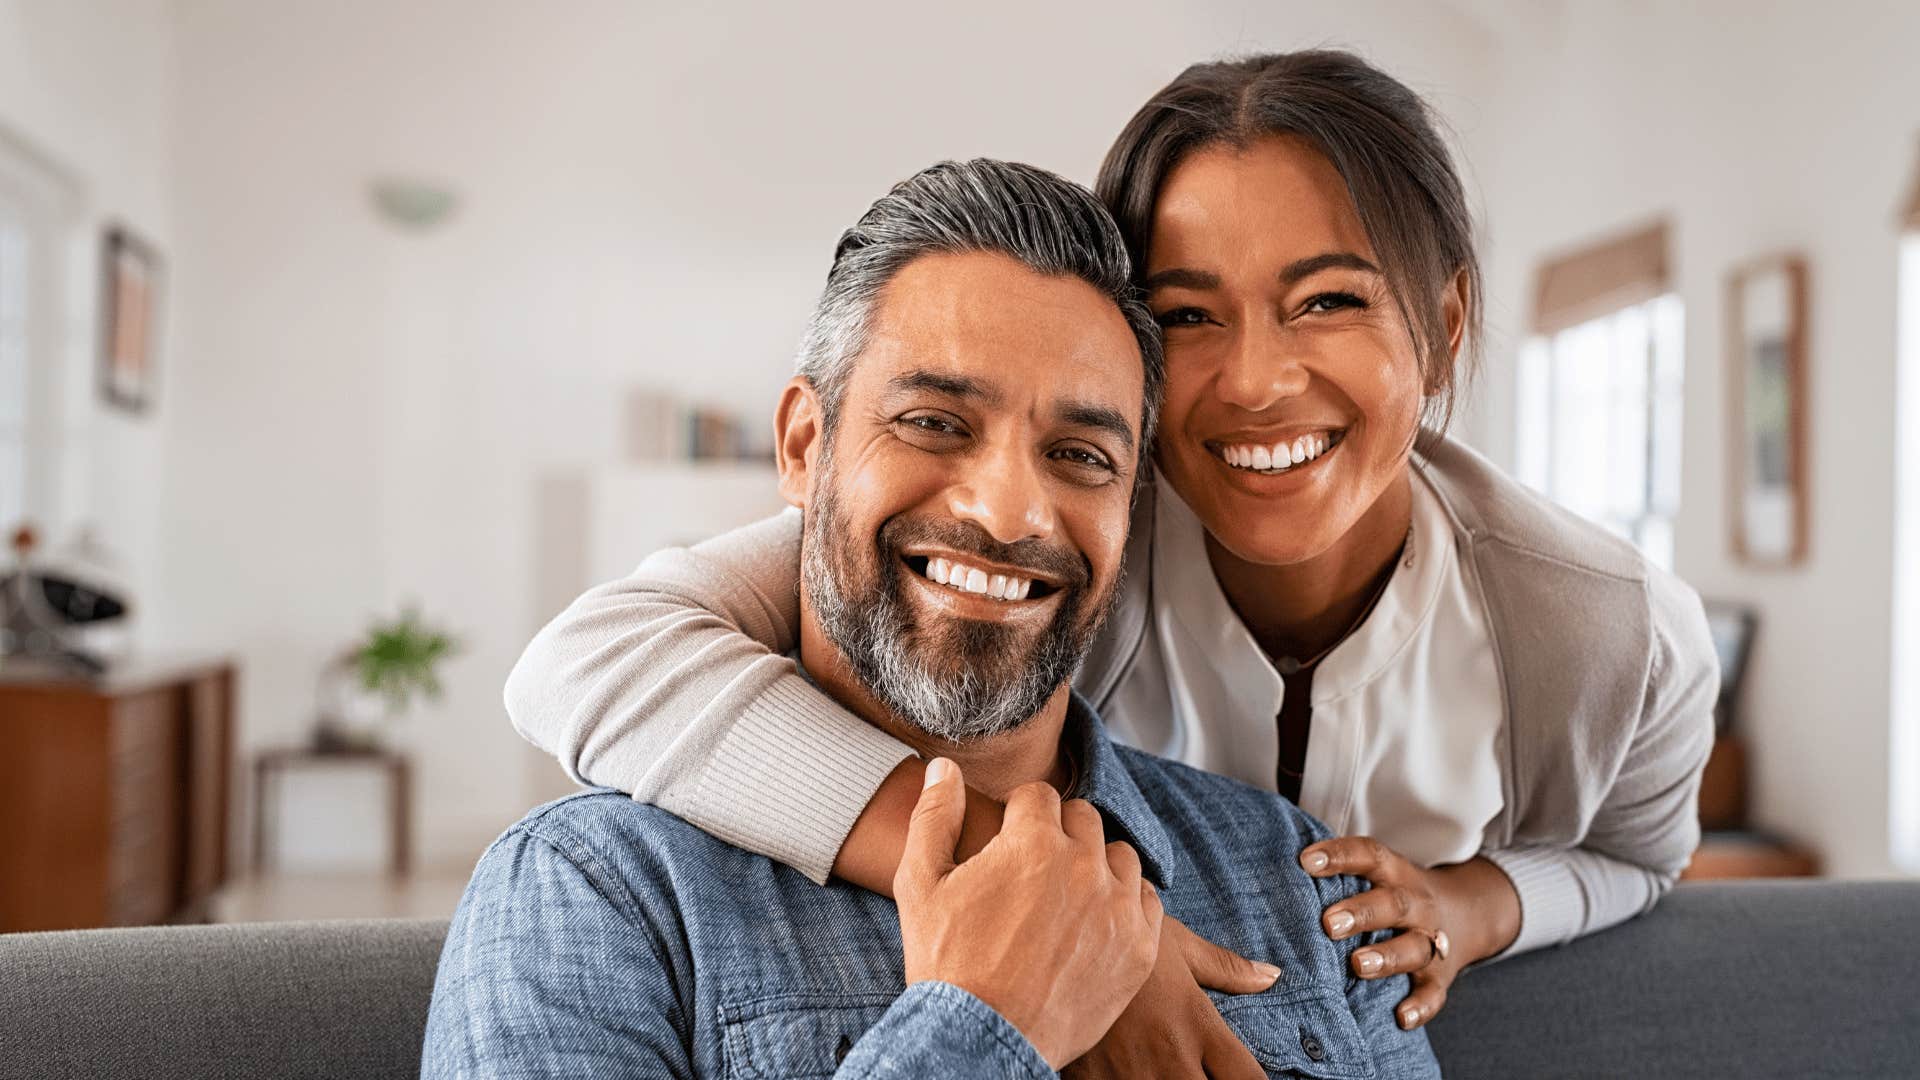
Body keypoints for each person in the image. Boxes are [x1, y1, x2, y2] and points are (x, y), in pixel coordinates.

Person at [507, 49, 1717, 1061]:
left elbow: (1638, 858)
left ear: (1443, 327)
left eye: (1330, 300)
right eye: (1188, 316)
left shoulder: (1596, 631)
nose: (1253, 381)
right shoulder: (1062, 539)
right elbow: (593, 658)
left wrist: (1474, 903)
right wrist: (1055, 922)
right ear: (806, 444)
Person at [424, 159, 1439, 1079]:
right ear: (804, 447)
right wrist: (984, 1023)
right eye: (934, 425)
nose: (1006, 512)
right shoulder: (596, 895)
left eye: (1081, 455)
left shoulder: (1298, 880)